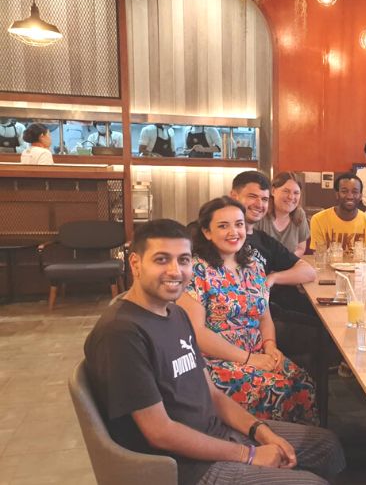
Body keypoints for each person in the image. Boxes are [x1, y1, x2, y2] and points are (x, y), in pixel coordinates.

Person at [84, 219, 345, 485]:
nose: (175, 271)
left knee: (326, 445)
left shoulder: (175, 313)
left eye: (183, 260)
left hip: (218, 433)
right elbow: (160, 432)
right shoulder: (121, 333)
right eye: (162, 260)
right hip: (182, 466)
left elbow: (211, 393)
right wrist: (249, 454)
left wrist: (261, 431)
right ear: (136, 264)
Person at [177, 197, 318, 425]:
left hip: (257, 351)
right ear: (207, 232)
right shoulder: (196, 270)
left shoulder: (253, 264)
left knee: (303, 382)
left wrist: (270, 346)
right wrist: (250, 359)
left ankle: (302, 449)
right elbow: (196, 333)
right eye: (223, 226)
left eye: (239, 224)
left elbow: (264, 316)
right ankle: (262, 448)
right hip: (216, 360)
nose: (234, 232)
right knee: (278, 388)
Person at [227, 170, 322, 376]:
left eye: (263, 199)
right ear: (234, 197)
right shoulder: (223, 238)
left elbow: (307, 270)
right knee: (322, 335)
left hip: (266, 312)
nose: (259, 204)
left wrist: (272, 279)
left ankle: (305, 382)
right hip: (241, 323)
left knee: (323, 323)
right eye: (252, 197)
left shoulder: (262, 240)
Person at [309, 172, 366, 253]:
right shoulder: (318, 220)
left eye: (355, 192)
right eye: (344, 191)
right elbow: (319, 257)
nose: (350, 196)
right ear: (337, 194)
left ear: (360, 196)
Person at [263, 172, 310, 258]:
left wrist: (285, 262)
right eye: (286, 191)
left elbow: (301, 248)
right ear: (273, 191)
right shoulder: (261, 213)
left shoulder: (300, 214)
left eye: (296, 193)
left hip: (289, 266)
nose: (291, 197)